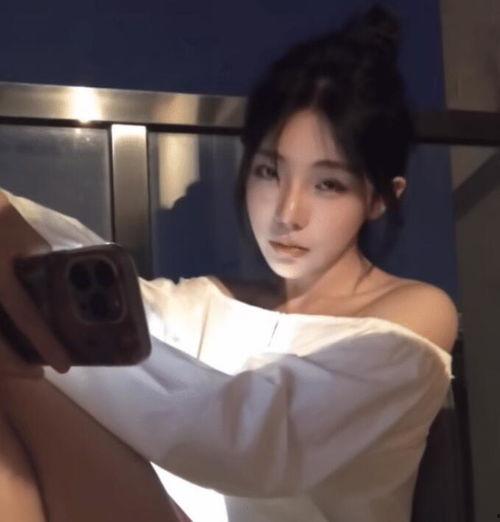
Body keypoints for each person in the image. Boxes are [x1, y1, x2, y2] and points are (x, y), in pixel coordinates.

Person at [0, 5, 458, 522]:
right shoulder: (211, 302)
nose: (288, 212)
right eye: (269, 172)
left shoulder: (413, 315)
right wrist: (13, 225)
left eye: (328, 184)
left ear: (379, 198)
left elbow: (248, 444)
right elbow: (106, 292)